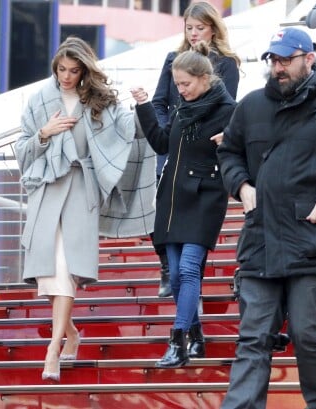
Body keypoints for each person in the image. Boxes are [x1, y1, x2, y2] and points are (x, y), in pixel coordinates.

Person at [218, 27, 316, 408]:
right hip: (261, 240)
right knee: (253, 336)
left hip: (313, 241)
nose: (278, 67)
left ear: (308, 59)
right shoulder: (252, 105)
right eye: (273, 60)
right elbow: (228, 152)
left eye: (285, 60)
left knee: (309, 334)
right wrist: (242, 187)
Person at [15, 36, 155, 382]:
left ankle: (53, 347)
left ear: (84, 70)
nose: (66, 76)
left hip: (81, 190)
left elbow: (130, 133)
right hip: (47, 189)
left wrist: (144, 105)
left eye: (73, 70)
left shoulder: (100, 101)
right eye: (61, 69)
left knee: (65, 267)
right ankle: (72, 333)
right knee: (48, 273)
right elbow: (22, 149)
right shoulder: (38, 99)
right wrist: (45, 134)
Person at [131, 41, 236, 368]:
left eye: (186, 84)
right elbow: (163, 142)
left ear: (205, 78)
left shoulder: (229, 111)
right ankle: (196, 336)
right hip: (173, 199)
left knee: (190, 269)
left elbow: (248, 149)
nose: (181, 90)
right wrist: (145, 106)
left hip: (205, 196)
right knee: (175, 275)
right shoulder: (180, 108)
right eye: (177, 84)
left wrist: (229, 142)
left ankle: (177, 341)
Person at [150, 1, 240, 298]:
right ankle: (167, 267)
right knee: (163, 209)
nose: (193, 34)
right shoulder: (172, 58)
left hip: (204, 147)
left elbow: (226, 105)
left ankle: (187, 284)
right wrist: (169, 126)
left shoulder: (226, 62)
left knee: (193, 242)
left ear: (213, 28)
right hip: (172, 141)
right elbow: (159, 101)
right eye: (189, 28)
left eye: (199, 28)